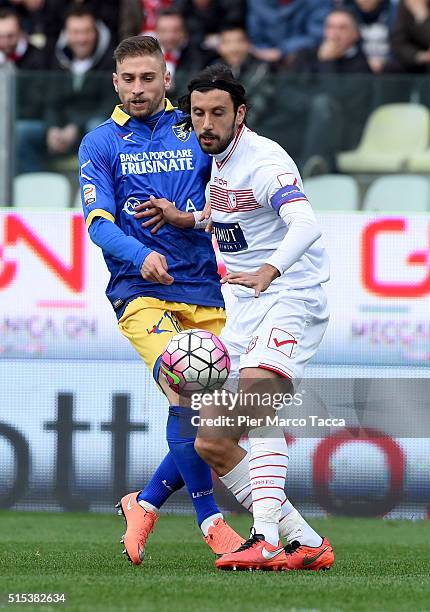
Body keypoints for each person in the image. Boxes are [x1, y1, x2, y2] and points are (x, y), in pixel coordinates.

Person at [149, 64, 335, 571]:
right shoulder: (219, 162)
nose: (206, 123)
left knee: (254, 397)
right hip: (248, 310)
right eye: (198, 113)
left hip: (291, 297)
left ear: (240, 114)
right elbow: (229, 216)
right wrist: (183, 217)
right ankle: (306, 541)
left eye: (218, 113)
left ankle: (266, 539)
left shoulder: (264, 160)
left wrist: (270, 270)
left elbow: (305, 222)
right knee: (211, 437)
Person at [78, 36, 244, 566]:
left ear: (166, 79)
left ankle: (145, 503)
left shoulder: (196, 128)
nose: (138, 89)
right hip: (139, 292)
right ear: (115, 82)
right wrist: (139, 253)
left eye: (148, 78)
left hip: (205, 289)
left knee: (213, 419)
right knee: (190, 387)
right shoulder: (100, 143)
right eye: (128, 79)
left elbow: (232, 193)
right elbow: (98, 223)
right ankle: (212, 521)